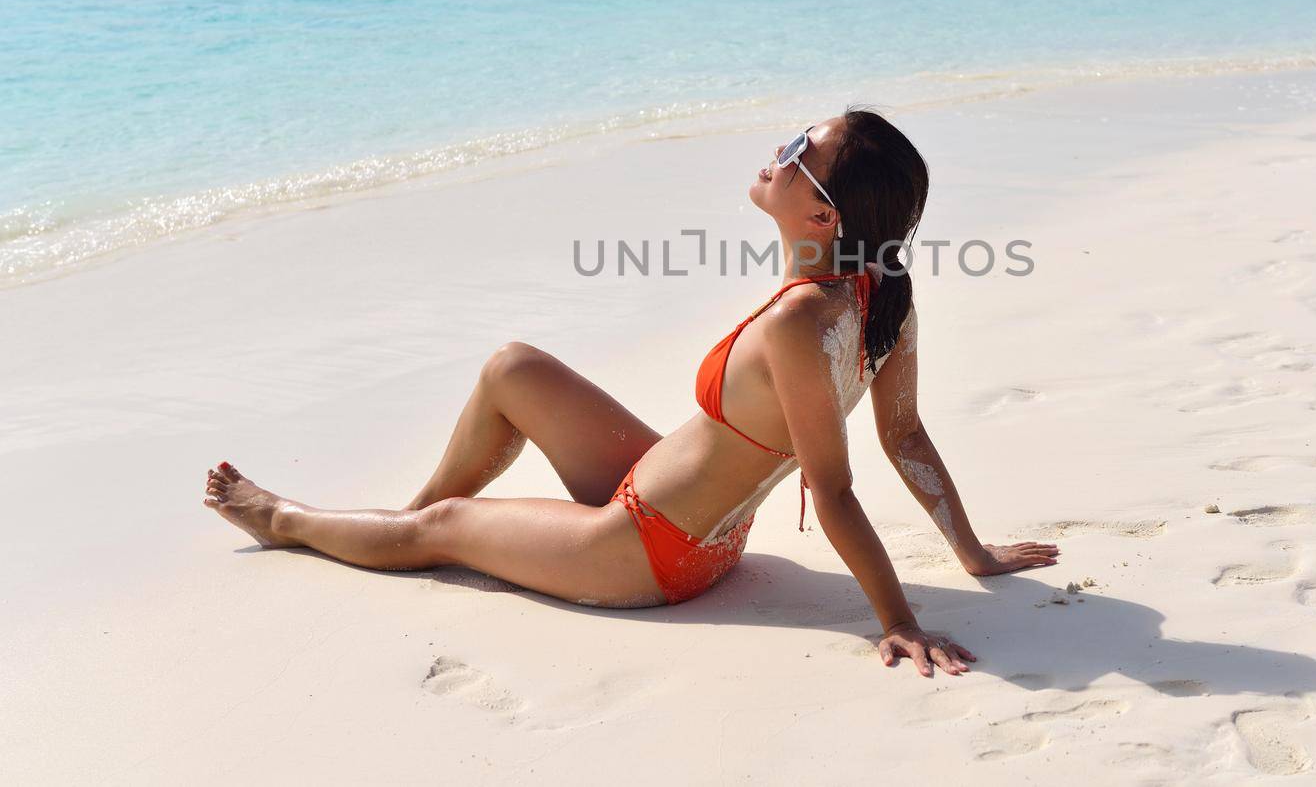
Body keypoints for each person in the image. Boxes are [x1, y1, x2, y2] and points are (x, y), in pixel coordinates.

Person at [204, 107, 1058, 678]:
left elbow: (835, 488)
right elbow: (905, 435)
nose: (780, 150)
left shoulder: (807, 322)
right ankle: (405, 537)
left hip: (653, 554)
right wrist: (971, 555)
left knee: (445, 529)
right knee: (513, 368)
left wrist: (896, 619)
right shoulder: (880, 289)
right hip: (661, 493)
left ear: (824, 216)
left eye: (801, 152)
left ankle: (296, 522)